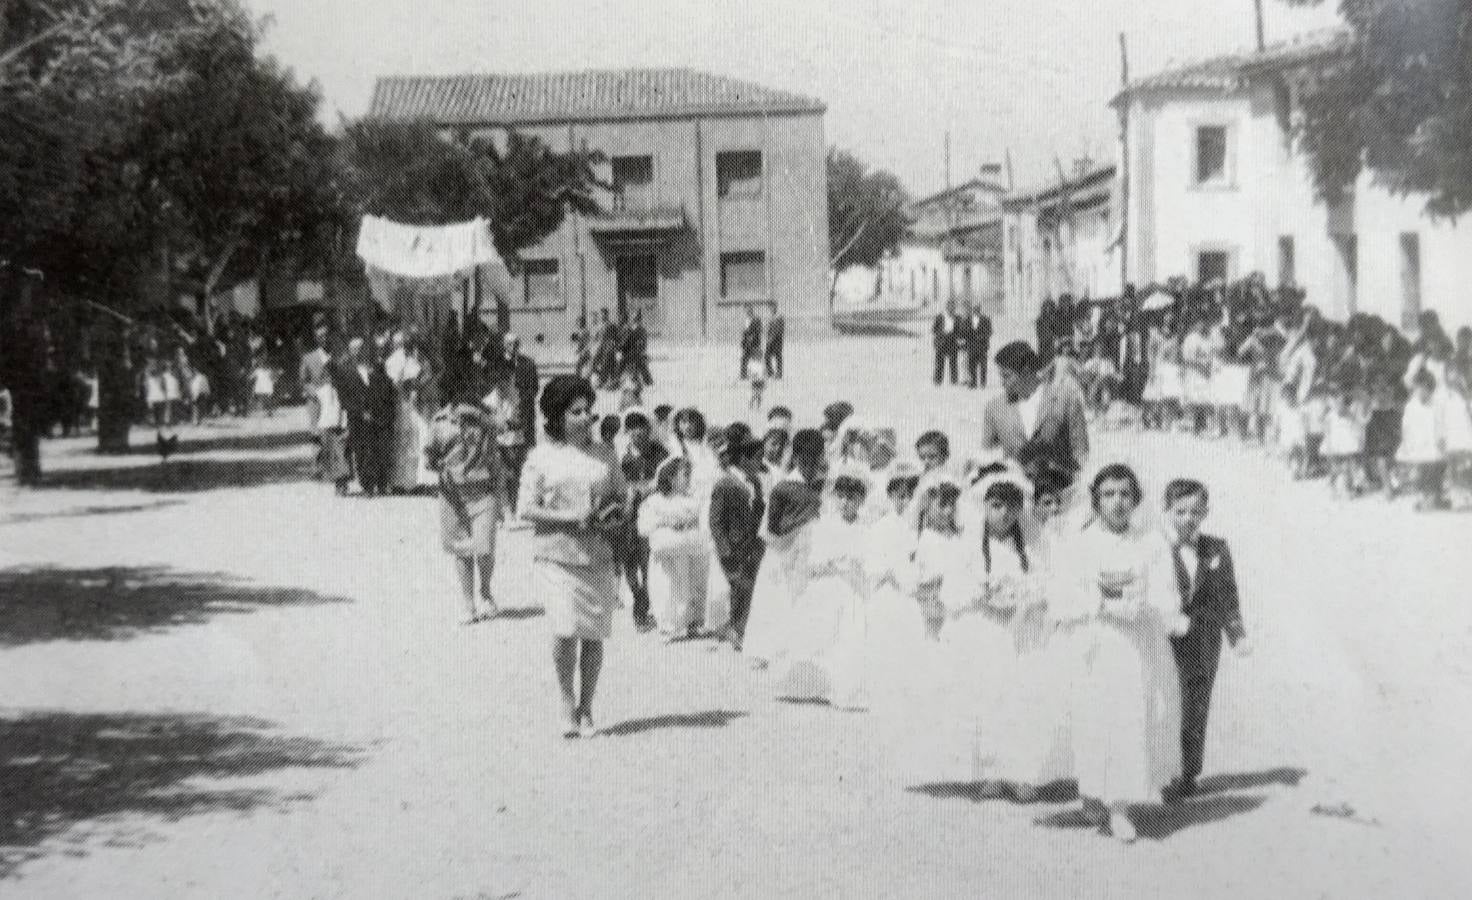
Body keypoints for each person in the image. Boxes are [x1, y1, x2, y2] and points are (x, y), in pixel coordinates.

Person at [1051, 464, 1183, 843]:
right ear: (1096, 500)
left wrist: (1145, 604)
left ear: (1136, 499)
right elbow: (1063, 595)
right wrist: (1099, 603)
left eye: (1125, 494)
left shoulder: (1152, 542)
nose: (1117, 502)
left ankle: (1120, 805)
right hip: (1096, 643)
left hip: (1138, 645)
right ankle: (1094, 790)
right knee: (1095, 719)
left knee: (1131, 718)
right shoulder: (1079, 543)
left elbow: (1166, 593)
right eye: (1108, 494)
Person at [517, 375, 628, 739]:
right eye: (575, 412)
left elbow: (621, 498)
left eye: (588, 411)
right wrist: (569, 517)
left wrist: (613, 515)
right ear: (557, 417)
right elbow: (526, 508)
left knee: (592, 634)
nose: (584, 418)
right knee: (565, 631)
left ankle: (587, 706)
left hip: (597, 555)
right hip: (557, 557)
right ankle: (566, 701)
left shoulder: (605, 455)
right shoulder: (541, 457)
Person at [1158, 479, 1249, 802]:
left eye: (1196, 512)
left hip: (1204, 640)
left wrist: (1237, 635)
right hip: (1165, 638)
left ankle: (1188, 772)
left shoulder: (1216, 548)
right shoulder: (1155, 547)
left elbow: (1228, 595)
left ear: (1206, 513)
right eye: (1180, 511)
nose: (1188, 519)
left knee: (1196, 704)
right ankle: (1161, 770)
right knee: (1165, 702)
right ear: (1166, 511)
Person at [743, 428, 827, 667]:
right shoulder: (783, 487)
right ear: (797, 456)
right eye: (806, 457)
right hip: (782, 553)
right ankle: (763, 652)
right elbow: (770, 529)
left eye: (816, 456)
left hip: (806, 554)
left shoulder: (819, 486)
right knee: (774, 600)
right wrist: (802, 522)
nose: (811, 462)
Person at [426, 391, 508, 625]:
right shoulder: (439, 422)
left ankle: (485, 592)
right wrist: (441, 465)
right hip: (453, 495)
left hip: (484, 492)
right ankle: (468, 604)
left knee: (484, 548)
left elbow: (499, 444)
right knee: (461, 548)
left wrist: (480, 417)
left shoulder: (487, 418)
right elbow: (429, 457)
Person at [980, 341, 1090, 491]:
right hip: (1016, 498)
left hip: (1060, 494)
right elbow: (988, 457)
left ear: (1025, 371)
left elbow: (1081, 453)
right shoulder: (994, 408)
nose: (1002, 383)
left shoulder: (1066, 399)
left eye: (1007, 376)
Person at [709, 424, 766, 650]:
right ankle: (737, 630)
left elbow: (759, 511)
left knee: (745, 588)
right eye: (757, 459)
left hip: (750, 547)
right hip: (732, 548)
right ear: (743, 459)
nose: (760, 464)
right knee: (742, 585)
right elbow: (715, 521)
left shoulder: (754, 482)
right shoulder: (725, 483)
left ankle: (736, 626)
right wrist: (724, 548)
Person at [639, 456, 706, 642]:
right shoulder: (655, 501)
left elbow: (697, 524)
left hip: (685, 552)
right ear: (670, 477)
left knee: (687, 586)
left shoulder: (691, 501)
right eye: (685, 475)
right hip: (664, 555)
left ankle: (689, 621)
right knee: (665, 588)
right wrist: (667, 522)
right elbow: (644, 528)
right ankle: (667, 626)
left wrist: (686, 525)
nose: (688, 479)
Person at [620, 409, 669, 631]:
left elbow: (667, 478)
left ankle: (642, 607)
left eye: (641, 426)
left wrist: (648, 487)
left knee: (647, 561)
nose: (636, 432)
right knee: (628, 562)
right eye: (631, 427)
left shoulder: (659, 452)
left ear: (649, 429)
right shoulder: (622, 454)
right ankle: (637, 594)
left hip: (651, 513)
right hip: (627, 515)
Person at [334, 338, 396, 497]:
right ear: (350, 351)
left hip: (376, 416)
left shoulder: (375, 367)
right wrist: (360, 412)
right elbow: (343, 398)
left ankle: (381, 483)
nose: (359, 352)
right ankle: (367, 485)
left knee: (377, 449)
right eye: (355, 349)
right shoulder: (345, 371)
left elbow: (384, 389)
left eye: (361, 348)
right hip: (357, 418)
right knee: (361, 451)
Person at [1399, 368, 1448, 511]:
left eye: (1424, 389)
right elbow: (1406, 426)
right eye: (1417, 388)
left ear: (1430, 389)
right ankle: (1424, 497)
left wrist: (1442, 438)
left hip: (1434, 442)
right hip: (1418, 443)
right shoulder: (1411, 406)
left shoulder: (1437, 404)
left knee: (1437, 468)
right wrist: (1406, 442)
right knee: (1421, 471)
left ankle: (1436, 496)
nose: (1420, 392)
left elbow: (1441, 423)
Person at [932, 301, 961, 386]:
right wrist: (942, 333)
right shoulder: (940, 317)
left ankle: (954, 381)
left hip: (952, 342)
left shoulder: (958, 318)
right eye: (950, 307)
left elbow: (961, 330)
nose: (951, 309)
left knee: (953, 363)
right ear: (946, 307)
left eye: (953, 307)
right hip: (941, 342)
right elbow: (934, 329)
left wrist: (957, 337)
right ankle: (937, 381)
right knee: (939, 363)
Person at [966, 305, 992, 389]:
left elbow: (989, 331)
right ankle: (973, 382)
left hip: (982, 345)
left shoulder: (986, 319)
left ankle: (983, 383)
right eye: (975, 309)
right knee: (971, 365)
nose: (976, 311)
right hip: (971, 345)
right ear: (973, 310)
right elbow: (963, 331)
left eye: (978, 310)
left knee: (983, 365)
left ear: (980, 310)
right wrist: (968, 336)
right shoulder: (967, 319)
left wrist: (982, 336)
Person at [740, 307, 763, 380]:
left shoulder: (756, 319)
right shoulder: (746, 320)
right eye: (747, 311)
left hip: (754, 343)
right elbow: (745, 332)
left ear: (752, 311)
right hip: (747, 343)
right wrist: (743, 341)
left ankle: (757, 375)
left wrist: (753, 337)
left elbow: (759, 330)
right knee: (744, 358)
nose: (748, 312)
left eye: (749, 311)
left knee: (756, 359)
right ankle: (743, 375)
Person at [765, 312, 785, 380]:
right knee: (767, 356)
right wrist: (768, 339)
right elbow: (769, 330)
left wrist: (773, 338)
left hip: (777, 341)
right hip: (770, 340)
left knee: (778, 356)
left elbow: (780, 330)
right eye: (770, 307)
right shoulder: (771, 317)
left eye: (772, 307)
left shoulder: (779, 317)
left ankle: (779, 373)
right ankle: (770, 372)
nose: (771, 309)